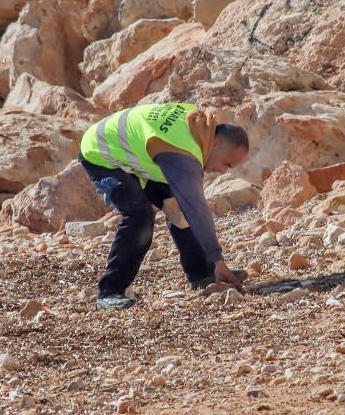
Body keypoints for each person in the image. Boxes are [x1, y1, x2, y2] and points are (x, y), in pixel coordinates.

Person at [78, 102, 250, 310]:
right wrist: (218, 260)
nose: (223, 171)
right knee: (139, 216)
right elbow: (197, 209)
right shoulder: (183, 153)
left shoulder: (197, 123)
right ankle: (110, 291)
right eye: (227, 163)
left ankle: (202, 275)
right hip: (101, 153)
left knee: (176, 206)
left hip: (138, 155)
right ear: (216, 142)